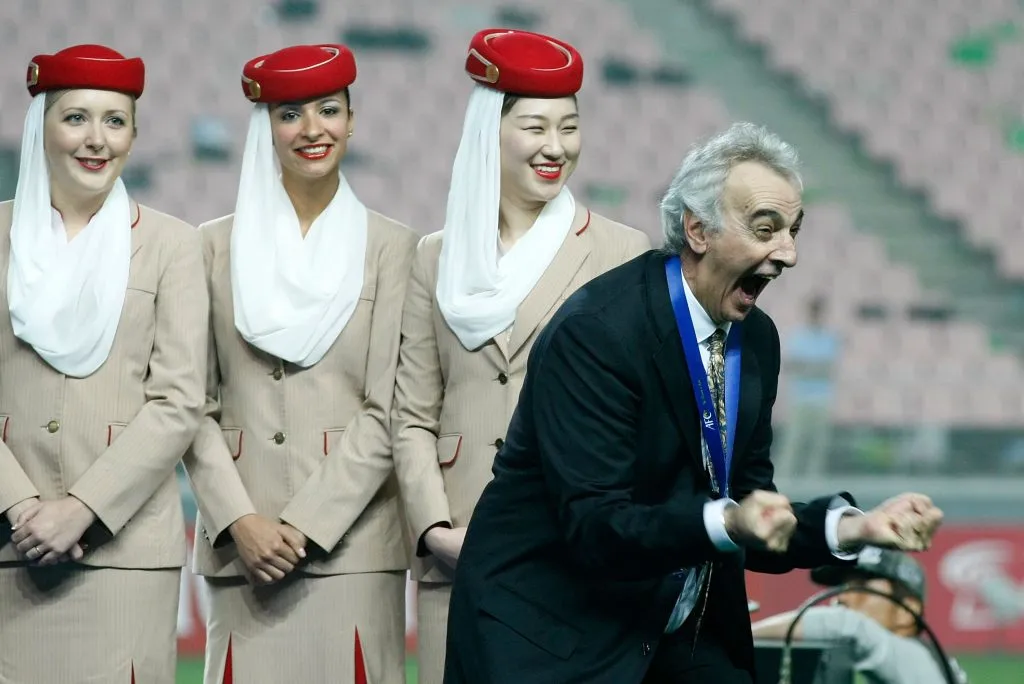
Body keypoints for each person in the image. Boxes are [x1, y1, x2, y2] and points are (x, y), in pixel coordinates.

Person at [442, 122, 943, 684]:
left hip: (674, 630)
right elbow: (597, 527)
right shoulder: (598, 334)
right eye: (766, 228)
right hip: (549, 639)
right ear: (698, 230)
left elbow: (755, 505)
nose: (789, 253)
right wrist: (729, 518)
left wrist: (856, 528)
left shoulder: (756, 340)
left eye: (793, 230)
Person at [391, 27, 651, 684]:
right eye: (535, 126)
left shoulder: (623, 251)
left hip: (575, 551)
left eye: (569, 126)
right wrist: (433, 531)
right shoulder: (433, 256)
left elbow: (641, 414)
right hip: (461, 553)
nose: (556, 147)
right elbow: (413, 414)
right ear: (489, 132)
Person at [181, 44, 416, 683]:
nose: (313, 130)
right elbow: (189, 403)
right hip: (241, 551)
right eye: (290, 114)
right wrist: (240, 521)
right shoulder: (208, 247)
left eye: (329, 110)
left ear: (352, 120)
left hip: (353, 547)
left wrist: (307, 525)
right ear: (265, 127)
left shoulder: (396, 248)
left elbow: (390, 406)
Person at [0, 45, 208, 683]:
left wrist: (81, 508)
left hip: (124, 554)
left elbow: (178, 402)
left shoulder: (174, 244)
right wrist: (22, 507)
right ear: (42, 127)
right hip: (10, 546)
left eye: (115, 121)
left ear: (135, 135)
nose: (97, 139)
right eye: (77, 118)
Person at [751, 546, 950, 683]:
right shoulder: (924, 660)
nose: (842, 598)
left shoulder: (913, 657)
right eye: (843, 587)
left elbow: (849, 626)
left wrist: (740, 635)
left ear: (907, 612)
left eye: (862, 587)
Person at [775, 296, 839, 477]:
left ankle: (813, 480)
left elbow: (828, 369)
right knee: (794, 441)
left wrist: (807, 367)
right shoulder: (798, 336)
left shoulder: (829, 338)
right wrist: (813, 368)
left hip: (821, 398)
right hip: (801, 398)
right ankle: (784, 478)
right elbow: (793, 366)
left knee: (818, 444)